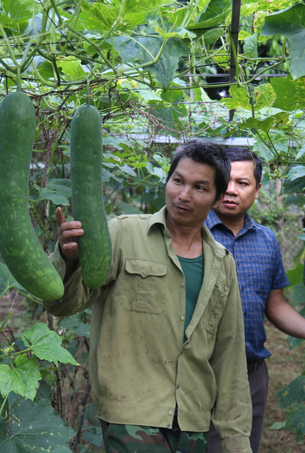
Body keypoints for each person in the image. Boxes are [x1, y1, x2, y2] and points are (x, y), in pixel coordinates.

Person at [45, 140, 252, 453]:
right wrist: (67, 258)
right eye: (178, 181)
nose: (184, 195)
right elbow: (64, 304)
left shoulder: (222, 263)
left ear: (217, 198)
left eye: (199, 187)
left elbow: (230, 355)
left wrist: (236, 441)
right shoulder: (121, 234)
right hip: (131, 414)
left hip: (192, 419)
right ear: (167, 181)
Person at [204, 147, 305, 453]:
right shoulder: (191, 231)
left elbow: (276, 305)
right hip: (198, 370)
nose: (231, 190)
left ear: (258, 190)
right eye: (225, 180)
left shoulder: (267, 240)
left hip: (250, 372)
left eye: (243, 183)